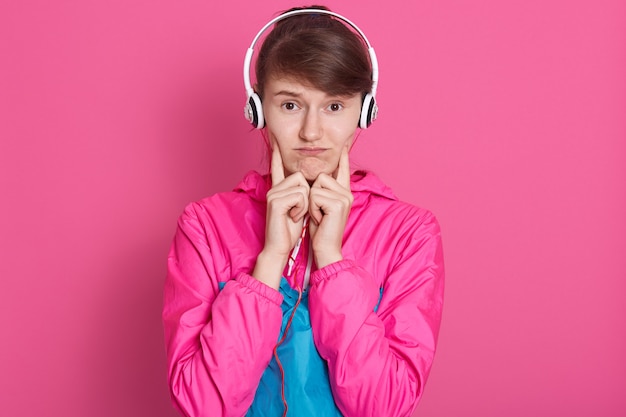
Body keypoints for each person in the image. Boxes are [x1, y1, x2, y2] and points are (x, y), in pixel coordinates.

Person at [162, 5, 444, 417]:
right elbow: (204, 406)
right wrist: (269, 262)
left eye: (334, 106)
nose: (312, 132)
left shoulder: (410, 233)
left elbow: (383, 406)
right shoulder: (204, 226)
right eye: (291, 105)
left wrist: (331, 260)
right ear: (257, 110)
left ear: (364, 112)